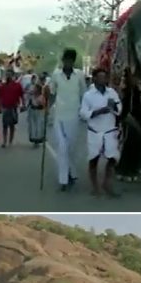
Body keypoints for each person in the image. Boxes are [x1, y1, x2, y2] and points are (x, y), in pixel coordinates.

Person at [79, 68, 122, 197]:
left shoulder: (112, 92)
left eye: (105, 77)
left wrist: (114, 107)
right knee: (94, 158)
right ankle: (95, 186)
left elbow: (119, 108)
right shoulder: (88, 95)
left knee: (113, 157)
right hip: (95, 131)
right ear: (95, 79)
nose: (103, 79)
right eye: (100, 77)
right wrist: (98, 112)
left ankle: (107, 183)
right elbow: (83, 113)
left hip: (109, 130)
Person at [50, 49, 88, 191]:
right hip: (59, 115)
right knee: (62, 147)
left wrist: (84, 112)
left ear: (73, 61)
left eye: (70, 60)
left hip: (74, 115)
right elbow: (52, 93)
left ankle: (71, 172)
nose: (68, 62)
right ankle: (63, 180)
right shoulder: (56, 75)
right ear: (63, 60)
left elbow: (84, 94)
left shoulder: (79, 75)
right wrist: (47, 105)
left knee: (71, 148)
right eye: (66, 60)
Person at [0, 70, 24, 147]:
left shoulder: (17, 85)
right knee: (5, 125)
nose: (8, 76)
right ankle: (4, 141)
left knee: (12, 125)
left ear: (13, 76)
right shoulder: (2, 86)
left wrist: (23, 105)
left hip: (14, 107)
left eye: (10, 75)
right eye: (7, 75)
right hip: (5, 107)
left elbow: (22, 95)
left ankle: (10, 141)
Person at [27, 75, 48, 146]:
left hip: (39, 111)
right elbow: (28, 94)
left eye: (35, 89)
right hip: (33, 111)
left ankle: (38, 139)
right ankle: (34, 139)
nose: (34, 89)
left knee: (39, 125)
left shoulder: (41, 96)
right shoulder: (33, 95)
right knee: (33, 125)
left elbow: (44, 104)